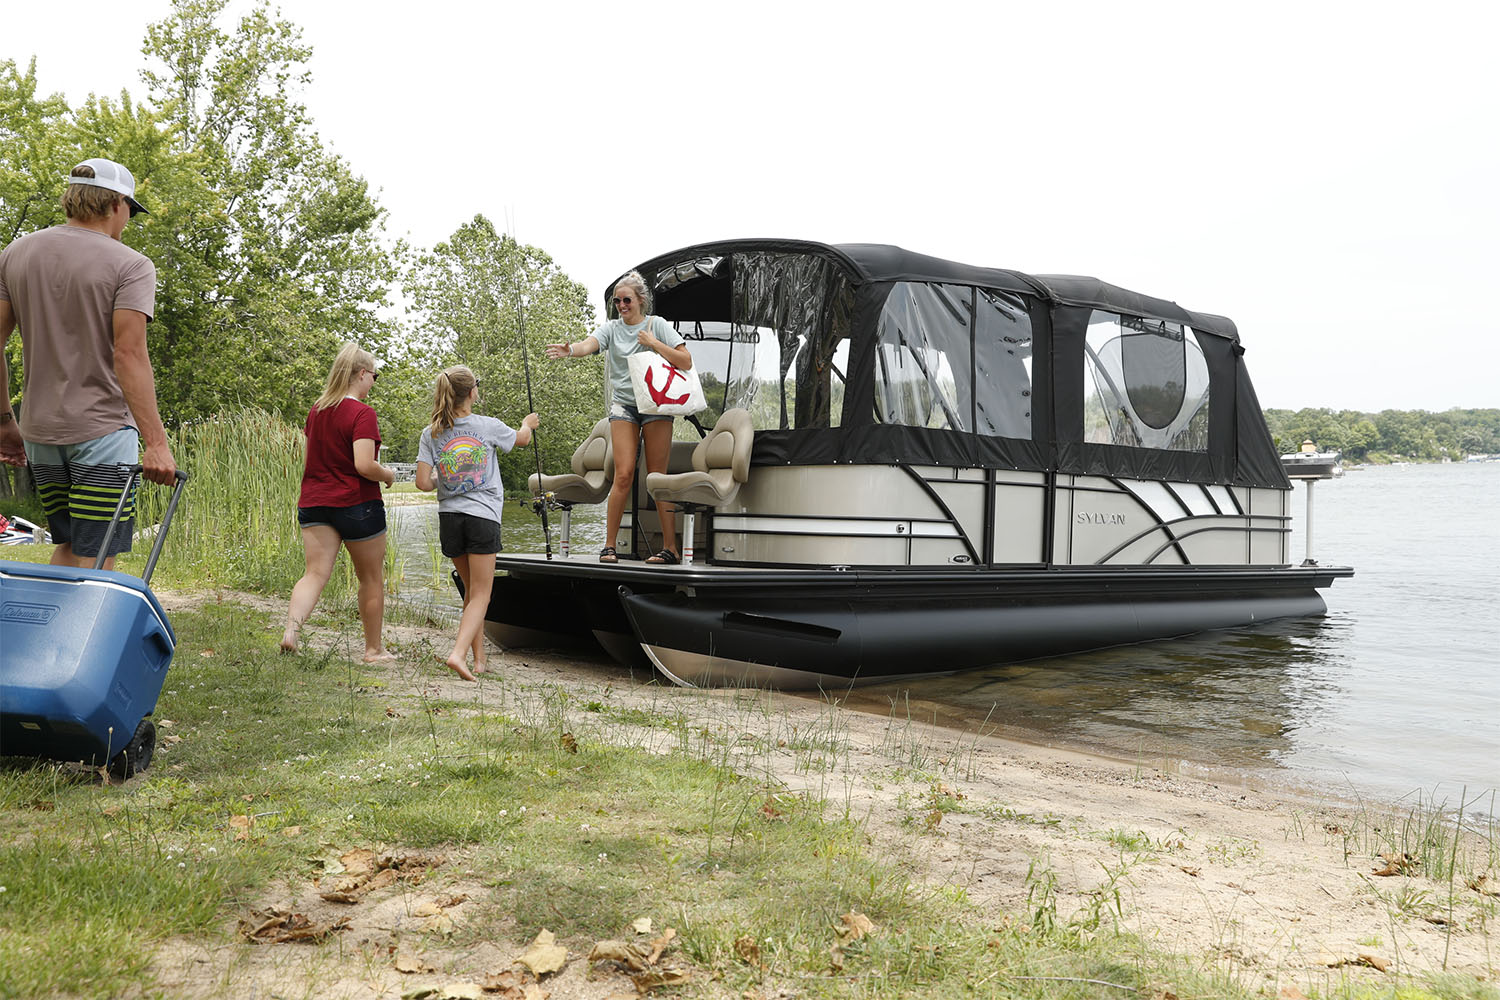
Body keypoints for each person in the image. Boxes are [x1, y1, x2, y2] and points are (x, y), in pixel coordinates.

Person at [0, 158, 177, 569]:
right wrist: (156, 443)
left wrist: (5, 419)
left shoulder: (15, 254)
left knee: (70, 544)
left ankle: (43, 614)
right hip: (103, 431)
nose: (128, 221)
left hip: (40, 432)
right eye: (130, 210)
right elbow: (129, 355)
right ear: (116, 203)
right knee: (97, 553)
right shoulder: (131, 265)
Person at [544, 270, 693, 564]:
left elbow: (685, 361)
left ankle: (671, 549)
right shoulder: (611, 329)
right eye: (617, 301)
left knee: (657, 477)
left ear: (640, 300)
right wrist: (570, 350)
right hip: (624, 406)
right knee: (623, 474)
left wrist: (654, 343)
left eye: (626, 300)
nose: (621, 305)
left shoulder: (657, 325)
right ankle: (609, 546)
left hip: (655, 405)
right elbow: (588, 345)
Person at [415, 365, 538, 681]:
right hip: (482, 517)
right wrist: (528, 423)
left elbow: (423, 483)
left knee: (472, 593)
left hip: (449, 519)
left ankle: (479, 660)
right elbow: (523, 439)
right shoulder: (488, 426)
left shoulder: (431, 433)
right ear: (472, 392)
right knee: (482, 594)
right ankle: (458, 654)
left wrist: (446, 476)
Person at [282, 342, 397, 661]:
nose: (374, 382)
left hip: (315, 503)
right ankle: (373, 650)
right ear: (361, 374)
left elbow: (309, 459)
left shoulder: (317, 410)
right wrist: (387, 474)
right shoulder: (363, 413)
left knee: (314, 574)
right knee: (371, 578)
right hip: (357, 504)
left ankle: (291, 632)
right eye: (375, 375)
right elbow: (364, 465)